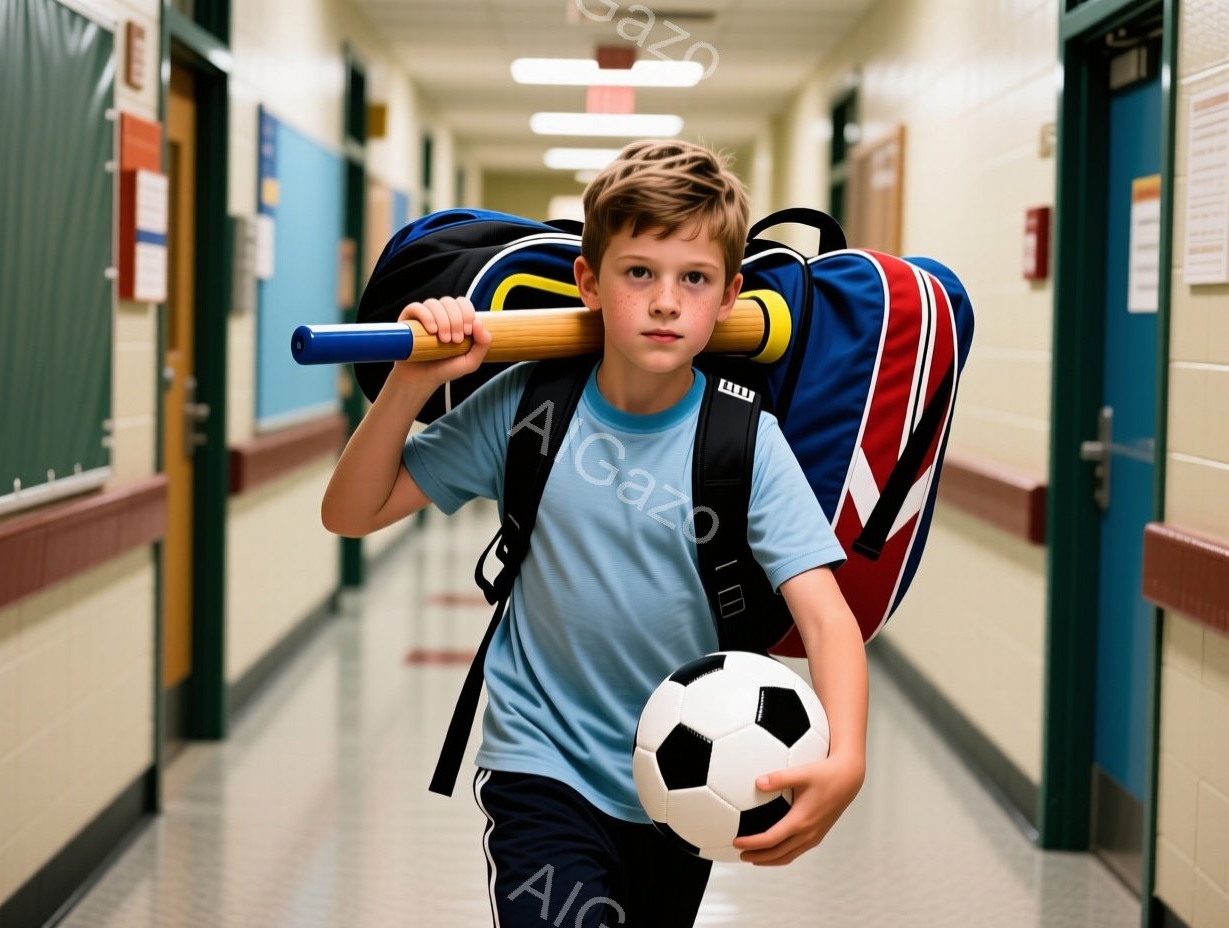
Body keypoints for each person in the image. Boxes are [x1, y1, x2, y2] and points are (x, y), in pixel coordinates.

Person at [321, 139, 868, 926]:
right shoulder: (525, 406)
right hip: (539, 765)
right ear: (589, 281)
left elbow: (827, 616)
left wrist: (845, 756)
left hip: (688, 792)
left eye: (695, 279)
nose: (666, 301)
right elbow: (351, 513)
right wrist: (411, 383)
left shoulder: (744, 440)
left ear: (728, 296)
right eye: (638, 272)